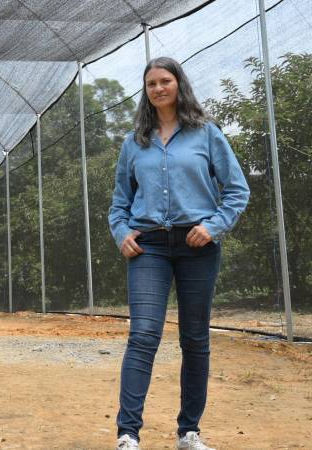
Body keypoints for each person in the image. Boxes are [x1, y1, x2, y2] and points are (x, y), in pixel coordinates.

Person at [108, 57, 250, 450]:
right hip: (148, 246)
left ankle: (189, 432)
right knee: (143, 334)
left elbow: (237, 190)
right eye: (151, 83)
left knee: (195, 338)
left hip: (197, 246)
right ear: (146, 91)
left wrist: (213, 226)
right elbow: (119, 203)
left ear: (178, 84)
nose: (158, 88)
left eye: (165, 81)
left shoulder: (206, 134)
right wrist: (121, 232)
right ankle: (127, 434)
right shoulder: (134, 142)